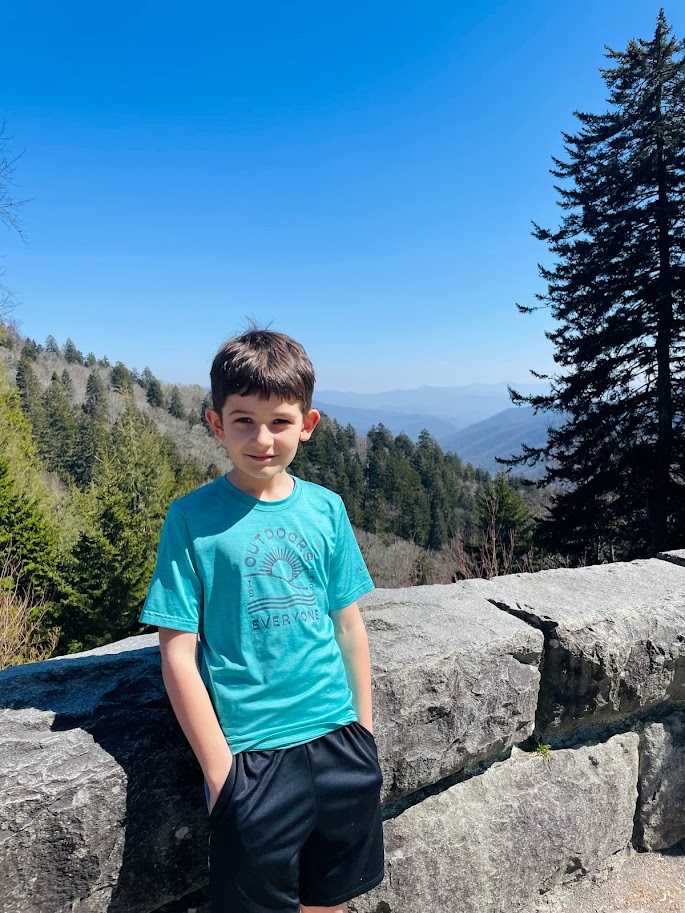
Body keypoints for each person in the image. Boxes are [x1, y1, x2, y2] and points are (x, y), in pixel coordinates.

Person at [138, 327, 384, 913]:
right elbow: (177, 653)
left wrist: (365, 735)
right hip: (251, 755)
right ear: (216, 423)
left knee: (330, 900)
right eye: (243, 419)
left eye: (279, 421)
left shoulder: (326, 508)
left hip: (338, 739)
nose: (262, 438)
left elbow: (348, 627)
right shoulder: (192, 518)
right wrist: (221, 775)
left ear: (308, 424)